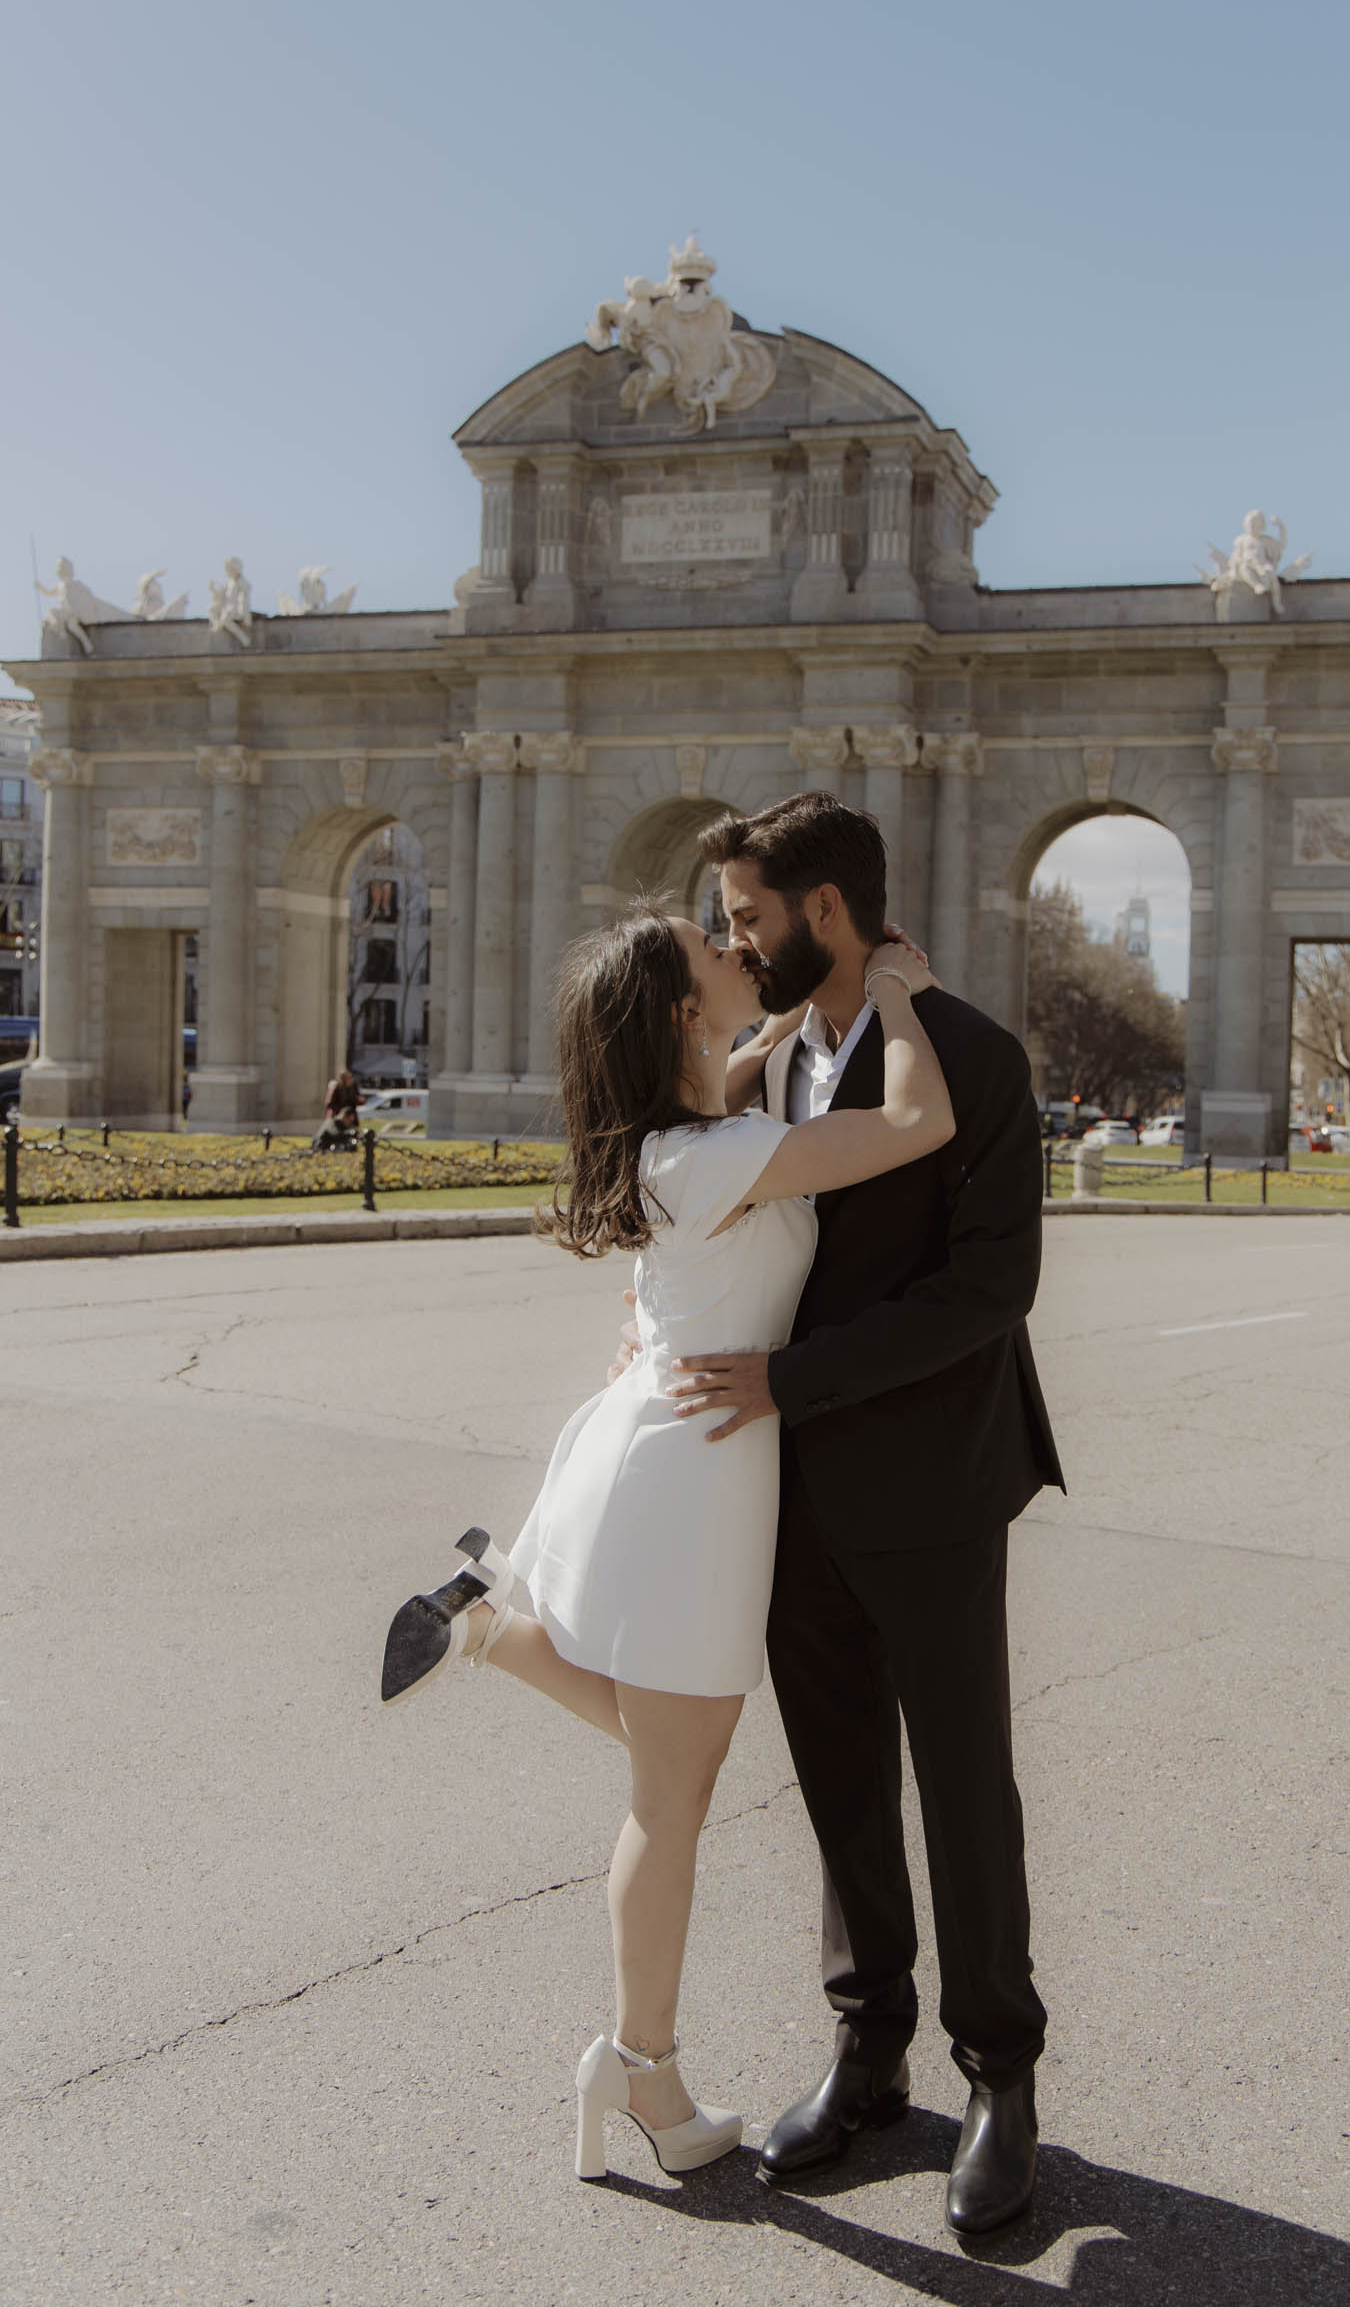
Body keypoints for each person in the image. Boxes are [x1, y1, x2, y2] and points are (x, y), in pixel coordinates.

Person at [379, 905, 951, 2186]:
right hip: (689, 1475)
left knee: (674, 1761)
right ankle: (642, 2072)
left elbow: (741, 1081)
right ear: (685, 1011)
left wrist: (803, 1008)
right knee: (670, 1796)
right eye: (713, 948)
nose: (736, 946)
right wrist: (898, 996)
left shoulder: (692, 1135)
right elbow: (915, 1126)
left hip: (676, 1449)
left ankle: (490, 1630)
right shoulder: (714, 1154)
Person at [657, 793, 1065, 2235]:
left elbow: (986, 1293)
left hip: (935, 1480)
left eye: (751, 918)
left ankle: (1000, 2077)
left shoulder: (971, 1056)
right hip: (787, 1489)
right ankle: (871, 2047)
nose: (733, 940)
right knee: (838, 1787)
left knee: (964, 1788)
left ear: (827, 914)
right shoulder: (757, 1069)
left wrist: (790, 1378)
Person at [312, 1068, 361, 1153]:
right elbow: (329, 1103)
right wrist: (341, 1111)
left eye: (351, 1078)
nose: (351, 1080)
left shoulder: (353, 1088)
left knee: (351, 1134)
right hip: (338, 1116)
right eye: (348, 1078)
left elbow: (355, 1100)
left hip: (349, 1114)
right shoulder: (336, 1088)